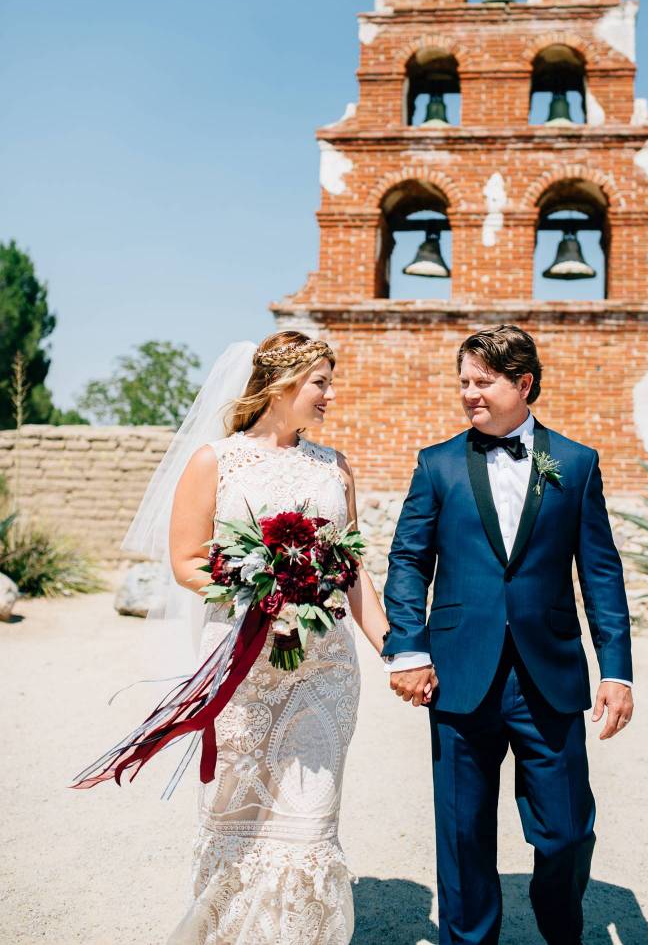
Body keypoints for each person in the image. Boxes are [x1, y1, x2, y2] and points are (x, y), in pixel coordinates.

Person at [382, 323, 633, 945]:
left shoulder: (575, 463)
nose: (469, 393)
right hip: (457, 675)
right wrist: (408, 648)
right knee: (462, 833)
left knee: (566, 831)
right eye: (463, 381)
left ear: (523, 384)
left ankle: (560, 930)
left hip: (549, 676)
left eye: (483, 381)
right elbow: (408, 561)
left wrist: (617, 670)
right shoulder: (436, 465)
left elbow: (600, 571)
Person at [162, 331, 390, 944]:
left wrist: (398, 651)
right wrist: (261, 587)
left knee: (309, 819)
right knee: (237, 813)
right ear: (282, 384)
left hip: (325, 668)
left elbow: (352, 570)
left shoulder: (334, 467)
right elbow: (186, 559)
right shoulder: (217, 461)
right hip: (241, 665)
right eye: (321, 383)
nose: (330, 396)